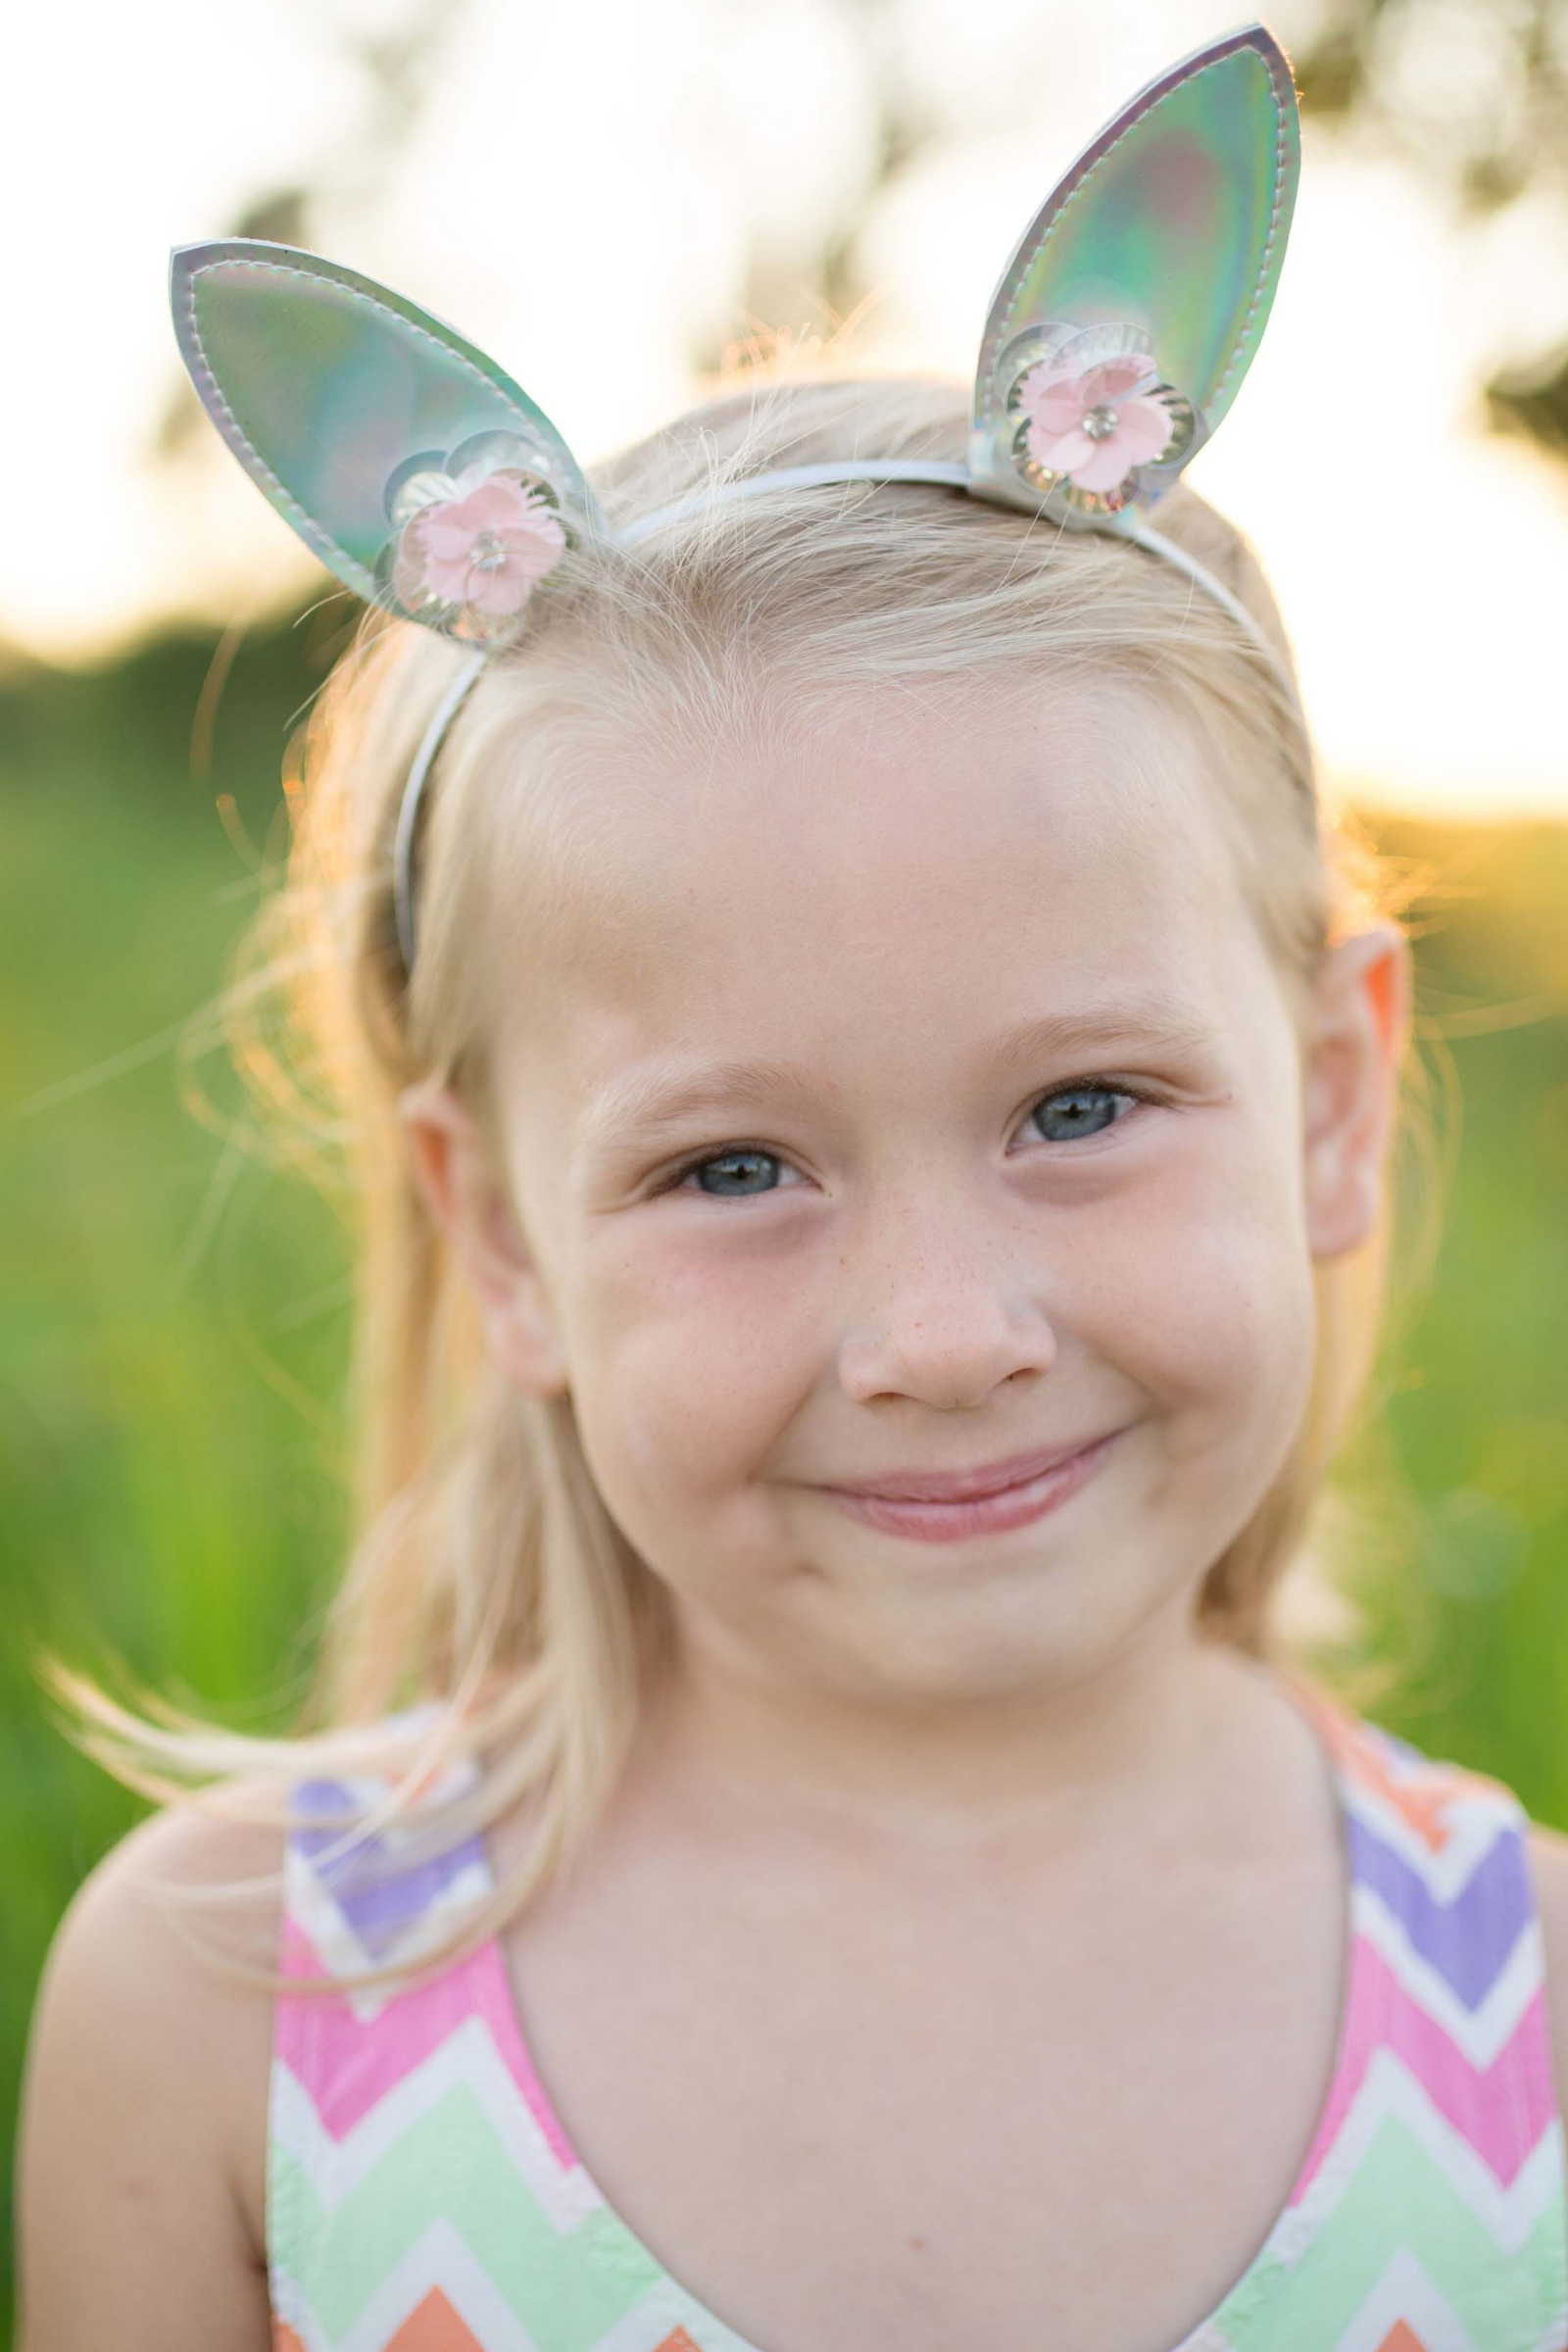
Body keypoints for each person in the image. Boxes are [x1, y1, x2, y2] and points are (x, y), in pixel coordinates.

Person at [16, 28, 1568, 2352]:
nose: (942, 1333)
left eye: (1078, 1109)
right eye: (729, 1164)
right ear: (501, 1239)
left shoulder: (1527, 2028)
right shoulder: (232, 2010)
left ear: (1335, 1095)